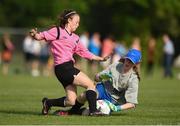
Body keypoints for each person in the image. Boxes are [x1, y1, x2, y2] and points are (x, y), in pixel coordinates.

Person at [30, 9, 110, 116]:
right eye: (76, 22)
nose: (77, 25)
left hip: (65, 69)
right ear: (69, 20)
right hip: (64, 68)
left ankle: (48, 103)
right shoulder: (57, 31)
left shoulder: (76, 38)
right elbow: (41, 36)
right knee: (91, 84)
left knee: (71, 101)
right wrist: (34, 34)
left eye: (79, 23)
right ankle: (93, 111)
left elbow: (85, 52)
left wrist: (100, 59)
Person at [63, 49, 141, 115]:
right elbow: (96, 78)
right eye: (128, 59)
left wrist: (116, 108)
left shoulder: (133, 79)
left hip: (113, 100)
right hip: (103, 89)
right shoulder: (116, 65)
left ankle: (77, 112)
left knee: (86, 112)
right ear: (125, 58)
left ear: (136, 64)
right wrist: (100, 76)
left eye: (131, 62)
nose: (128, 63)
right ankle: (71, 112)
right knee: (83, 95)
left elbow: (132, 103)